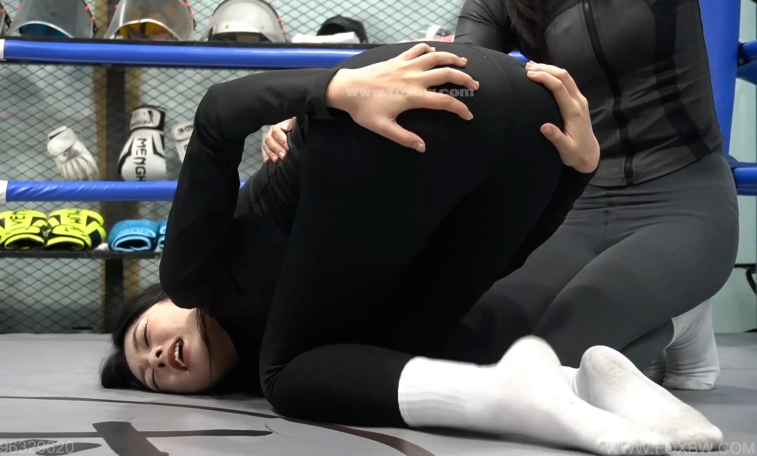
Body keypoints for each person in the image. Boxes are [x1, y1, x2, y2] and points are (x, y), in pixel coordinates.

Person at [100, 42, 723, 454]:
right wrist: (576, 174)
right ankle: (581, 383)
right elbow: (489, 263)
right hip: (531, 132)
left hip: (400, 103)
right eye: (151, 376)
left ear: (159, 305)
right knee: (425, 340)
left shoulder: (196, 275)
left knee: (288, 380)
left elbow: (216, 115)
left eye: (144, 338)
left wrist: (333, 86)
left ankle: (517, 394)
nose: (158, 359)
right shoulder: (327, 349)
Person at [264, 0, 739, 391]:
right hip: (583, 205)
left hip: (684, 200)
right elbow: (460, 76)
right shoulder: (500, 4)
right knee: (463, 349)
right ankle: (678, 313)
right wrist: (326, 101)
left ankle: (682, 318)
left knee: (556, 359)